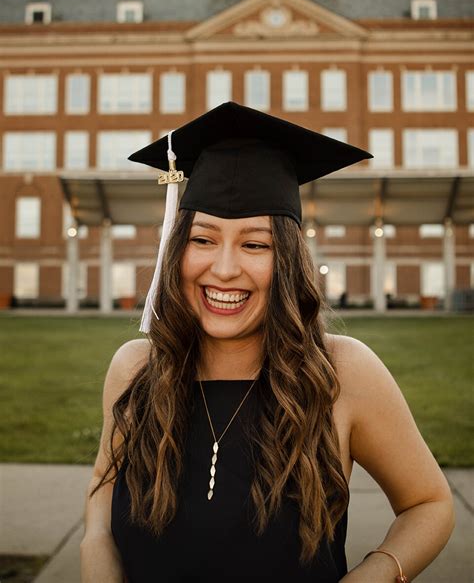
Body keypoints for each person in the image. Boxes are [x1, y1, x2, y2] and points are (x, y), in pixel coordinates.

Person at [80, 102, 455, 583]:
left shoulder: (342, 374)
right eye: (203, 239)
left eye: (255, 244)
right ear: (176, 250)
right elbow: (102, 490)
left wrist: (374, 574)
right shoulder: (135, 369)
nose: (224, 269)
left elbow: (429, 503)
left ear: (289, 261)